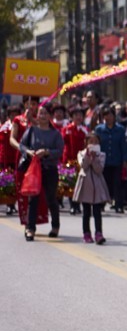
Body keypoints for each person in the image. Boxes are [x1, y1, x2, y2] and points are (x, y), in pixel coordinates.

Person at [18, 103, 64, 240]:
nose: (42, 116)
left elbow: (59, 151)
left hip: (50, 169)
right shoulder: (32, 130)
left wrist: (46, 152)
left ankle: (55, 226)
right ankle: (30, 228)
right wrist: (28, 152)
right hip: (34, 169)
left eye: (45, 113)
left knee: (51, 199)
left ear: (50, 116)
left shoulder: (55, 134)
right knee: (33, 198)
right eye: (40, 113)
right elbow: (22, 145)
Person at [73, 131, 109, 244]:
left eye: (96, 142)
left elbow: (99, 170)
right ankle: (86, 233)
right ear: (86, 143)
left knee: (97, 211)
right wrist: (88, 157)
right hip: (85, 184)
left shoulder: (101, 155)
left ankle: (99, 233)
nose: (93, 144)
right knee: (86, 212)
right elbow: (83, 166)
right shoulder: (81, 153)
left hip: (97, 185)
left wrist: (94, 159)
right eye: (91, 141)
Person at [95, 106, 127, 214]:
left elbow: (123, 145)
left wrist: (125, 160)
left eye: (110, 115)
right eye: (105, 115)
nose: (108, 117)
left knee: (117, 183)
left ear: (114, 116)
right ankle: (101, 204)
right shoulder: (99, 129)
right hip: (103, 161)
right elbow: (96, 144)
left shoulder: (120, 129)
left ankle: (118, 204)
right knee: (103, 183)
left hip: (116, 160)